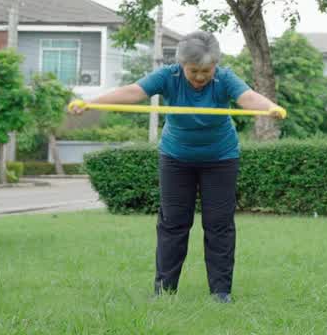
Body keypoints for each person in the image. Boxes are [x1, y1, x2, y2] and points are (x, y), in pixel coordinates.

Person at [69, 31, 284, 303]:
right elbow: (133, 92)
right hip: (176, 158)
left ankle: (220, 292)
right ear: (183, 64)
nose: (200, 77)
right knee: (173, 223)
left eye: (206, 70)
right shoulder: (168, 77)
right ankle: (164, 291)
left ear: (215, 65)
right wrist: (90, 103)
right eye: (194, 71)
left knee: (219, 224)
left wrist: (270, 107)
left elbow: (248, 98)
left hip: (220, 158)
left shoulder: (225, 78)